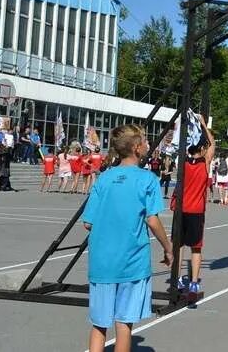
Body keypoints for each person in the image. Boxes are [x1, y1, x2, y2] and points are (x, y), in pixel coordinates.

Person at [82, 124, 172, 352]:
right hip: (132, 262)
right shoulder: (147, 179)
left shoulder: (104, 178)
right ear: (137, 147)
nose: (148, 144)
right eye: (145, 141)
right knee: (124, 324)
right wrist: (168, 246)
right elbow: (152, 220)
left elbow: (87, 222)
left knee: (99, 325)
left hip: (102, 261)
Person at [172, 114, 214, 305]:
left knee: (178, 246)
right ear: (203, 149)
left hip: (181, 210)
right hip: (196, 210)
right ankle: (194, 282)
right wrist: (204, 125)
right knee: (196, 248)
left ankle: (177, 278)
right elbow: (213, 145)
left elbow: (181, 146)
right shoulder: (204, 165)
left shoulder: (183, 163)